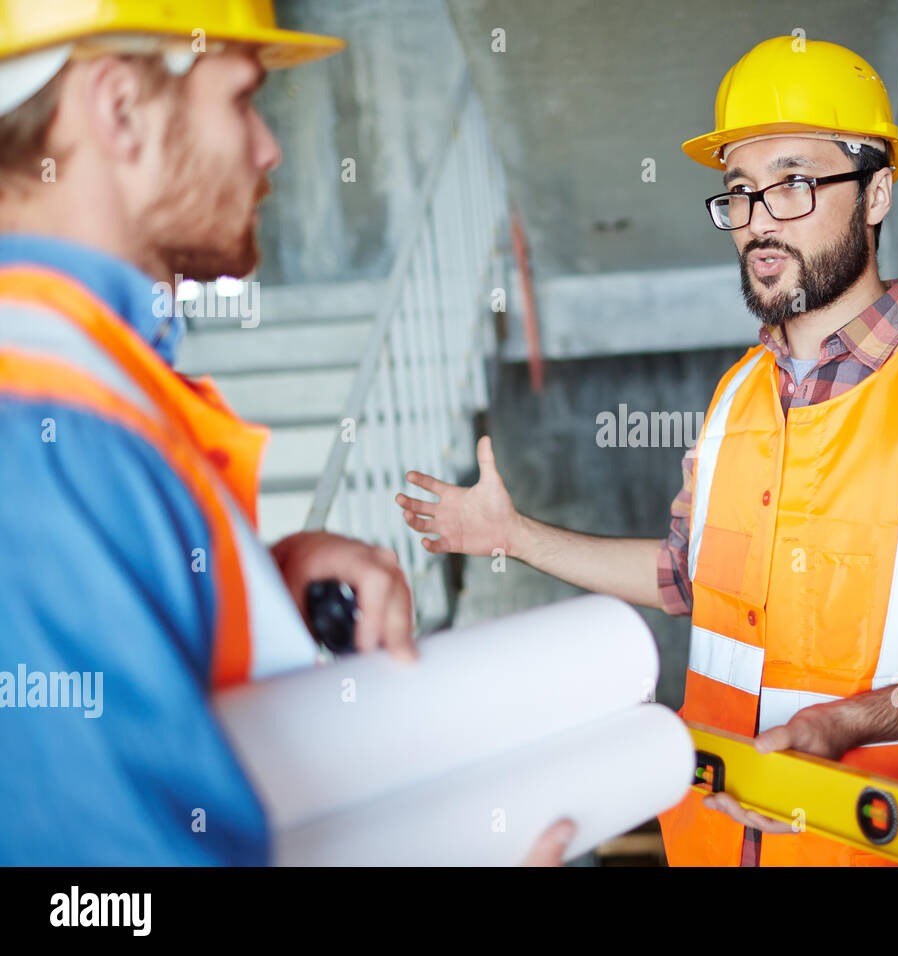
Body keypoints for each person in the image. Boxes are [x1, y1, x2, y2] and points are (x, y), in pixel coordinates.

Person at [396, 36, 898, 867]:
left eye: (793, 184)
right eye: (739, 192)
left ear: (876, 195)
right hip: (723, 846)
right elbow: (690, 577)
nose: (759, 221)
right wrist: (514, 537)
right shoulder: (737, 398)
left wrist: (847, 722)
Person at [0, 0, 569, 866]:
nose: (269, 148)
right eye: (241, 99)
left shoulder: (72, 389)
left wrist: (254, 587)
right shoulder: (47, 435)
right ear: (119, 111)